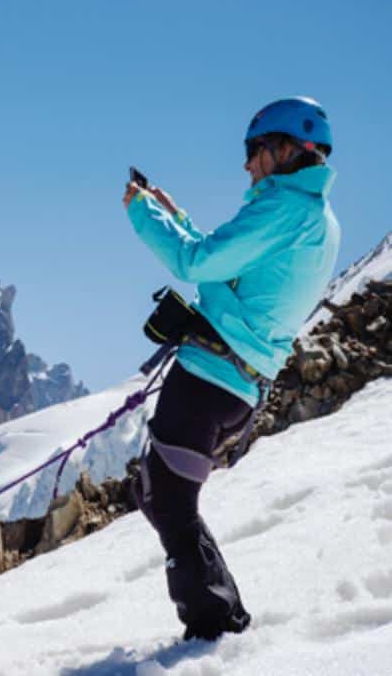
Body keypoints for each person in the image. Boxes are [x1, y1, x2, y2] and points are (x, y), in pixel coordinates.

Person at [123, 97, 340, 640]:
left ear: (287, 149)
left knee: (166, 500)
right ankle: (222, 617)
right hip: (234, 385)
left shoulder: (285, 210)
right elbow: (225, 268)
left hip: (207, 380)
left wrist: (142, 212)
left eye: (254, 150)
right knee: (164, 496)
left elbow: (194, 264)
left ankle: (213, 630)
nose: (247, 164)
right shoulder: (311, 217)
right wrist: (177, 218)